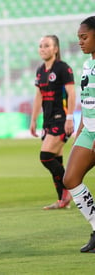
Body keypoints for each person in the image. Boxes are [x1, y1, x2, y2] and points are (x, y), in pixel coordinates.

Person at [30, 35, 76, 210]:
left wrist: (70, 117)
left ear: (56, 49)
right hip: (47, 121)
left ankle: (70, 189)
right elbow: (38, 96)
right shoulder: (40, 70)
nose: (43, 48)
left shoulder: (63, 68)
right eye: (41, 46)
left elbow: (71, 93)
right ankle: (62, 200)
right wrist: (33, 119)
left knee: (46, 156)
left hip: (61, 119)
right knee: (57, 159)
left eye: (47, 45)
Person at [63, 15, 95, 253]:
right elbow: (88, 100)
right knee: (70, 179)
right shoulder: (87, 65)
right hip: (89, 130)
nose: (80, 42)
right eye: (78, 38)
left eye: (84, 37)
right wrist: (82, 126)